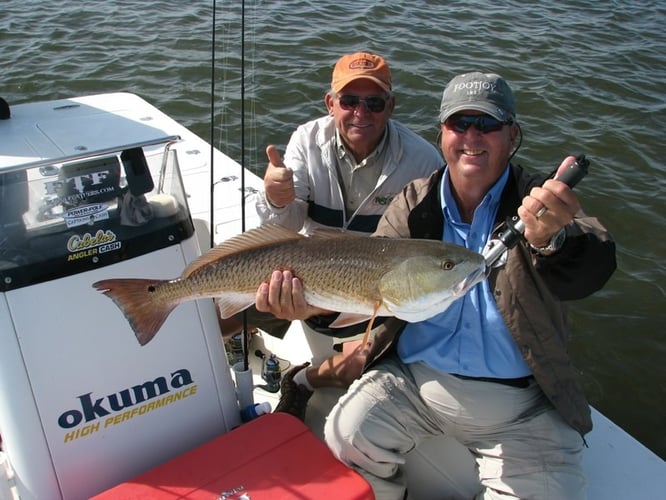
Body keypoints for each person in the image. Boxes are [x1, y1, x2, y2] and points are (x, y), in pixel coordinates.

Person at [320, 72, 617, 499]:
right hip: (413, 383)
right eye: (459, 124)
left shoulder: (540, 202)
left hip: (520, 409)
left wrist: (553, 239)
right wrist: (310, 304)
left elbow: (592, 265)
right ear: (442, 133)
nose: (471, 136)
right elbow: (368, 280)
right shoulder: (413, 202)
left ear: (512, 135)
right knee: (345, 432)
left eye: (488, 124)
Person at [218, 51, 443, 419]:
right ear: (330, 103)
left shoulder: (422, 161)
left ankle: (303, 380)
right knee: (218, 316)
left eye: (374, 102)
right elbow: (286, 225)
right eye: (349, 101)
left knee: (357, 366)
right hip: (303, 274)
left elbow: (423, 251)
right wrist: (275, 199)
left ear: (391, 106)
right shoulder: (306, 141)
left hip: (372, 287)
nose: (361, 112)